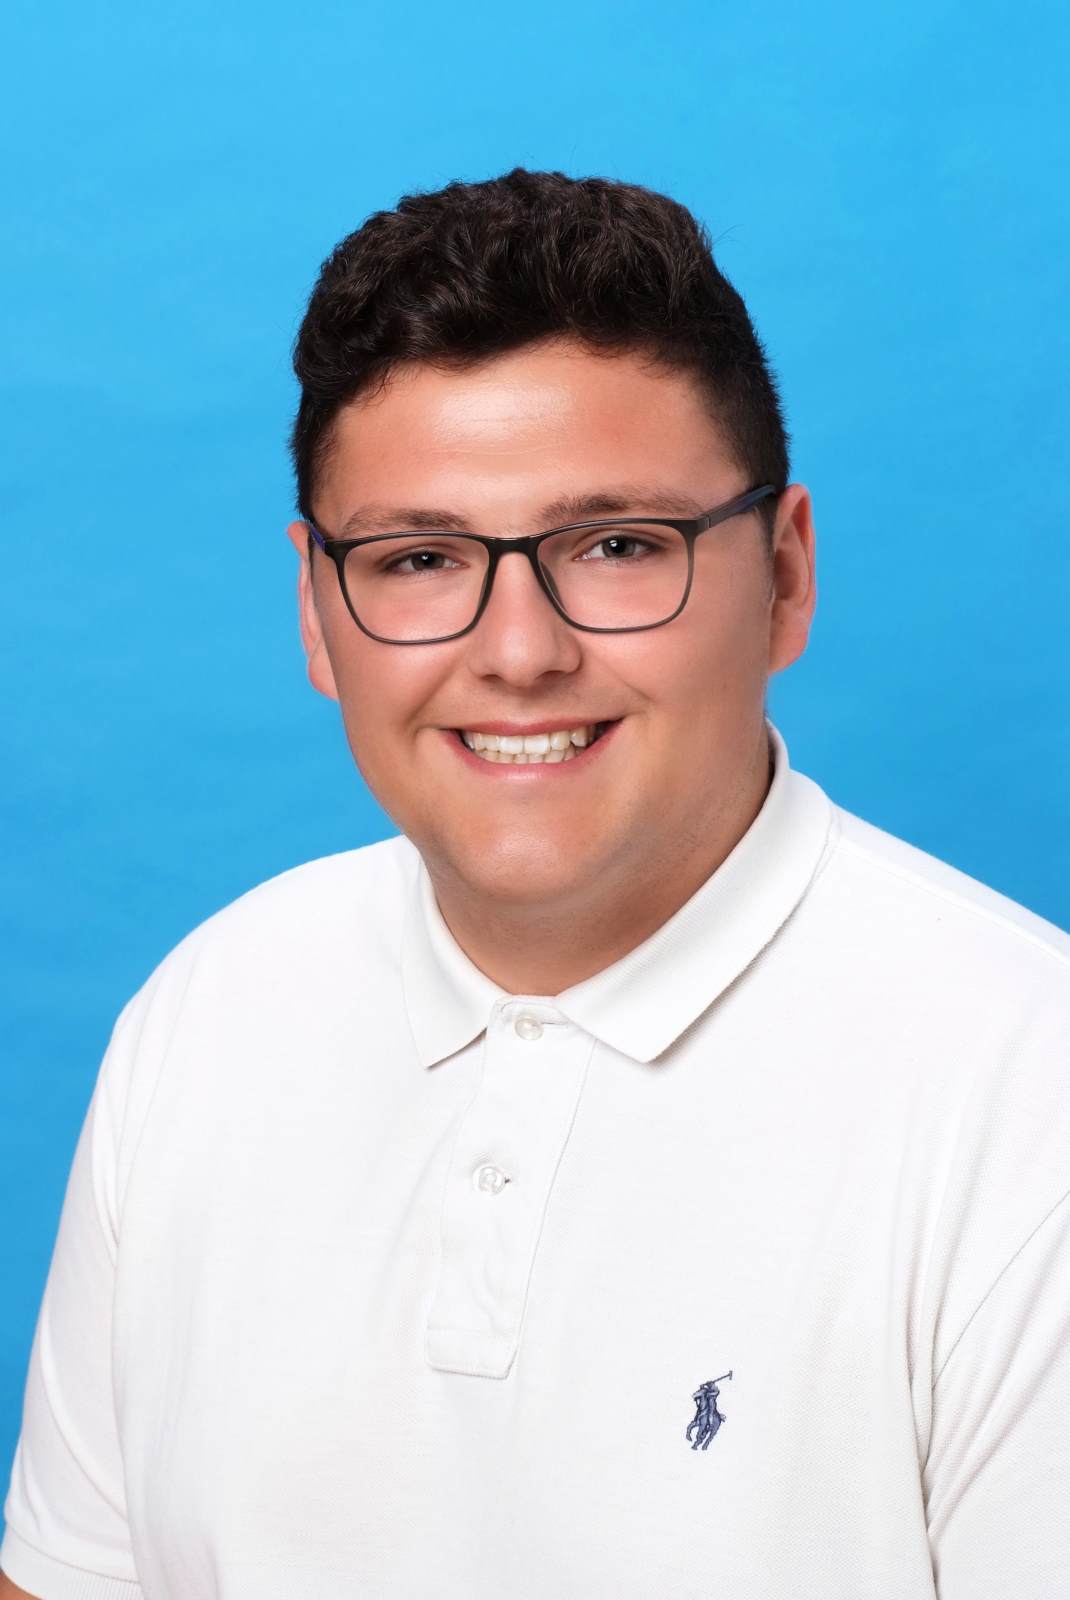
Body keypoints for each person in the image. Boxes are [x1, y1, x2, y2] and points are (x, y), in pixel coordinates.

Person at [2, 167, 1067, 1600]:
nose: (516, 653)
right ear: (316, 610)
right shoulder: (207, 1014)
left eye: (617, 546)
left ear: (785, 575)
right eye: (419, 558)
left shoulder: (1026, 1101)